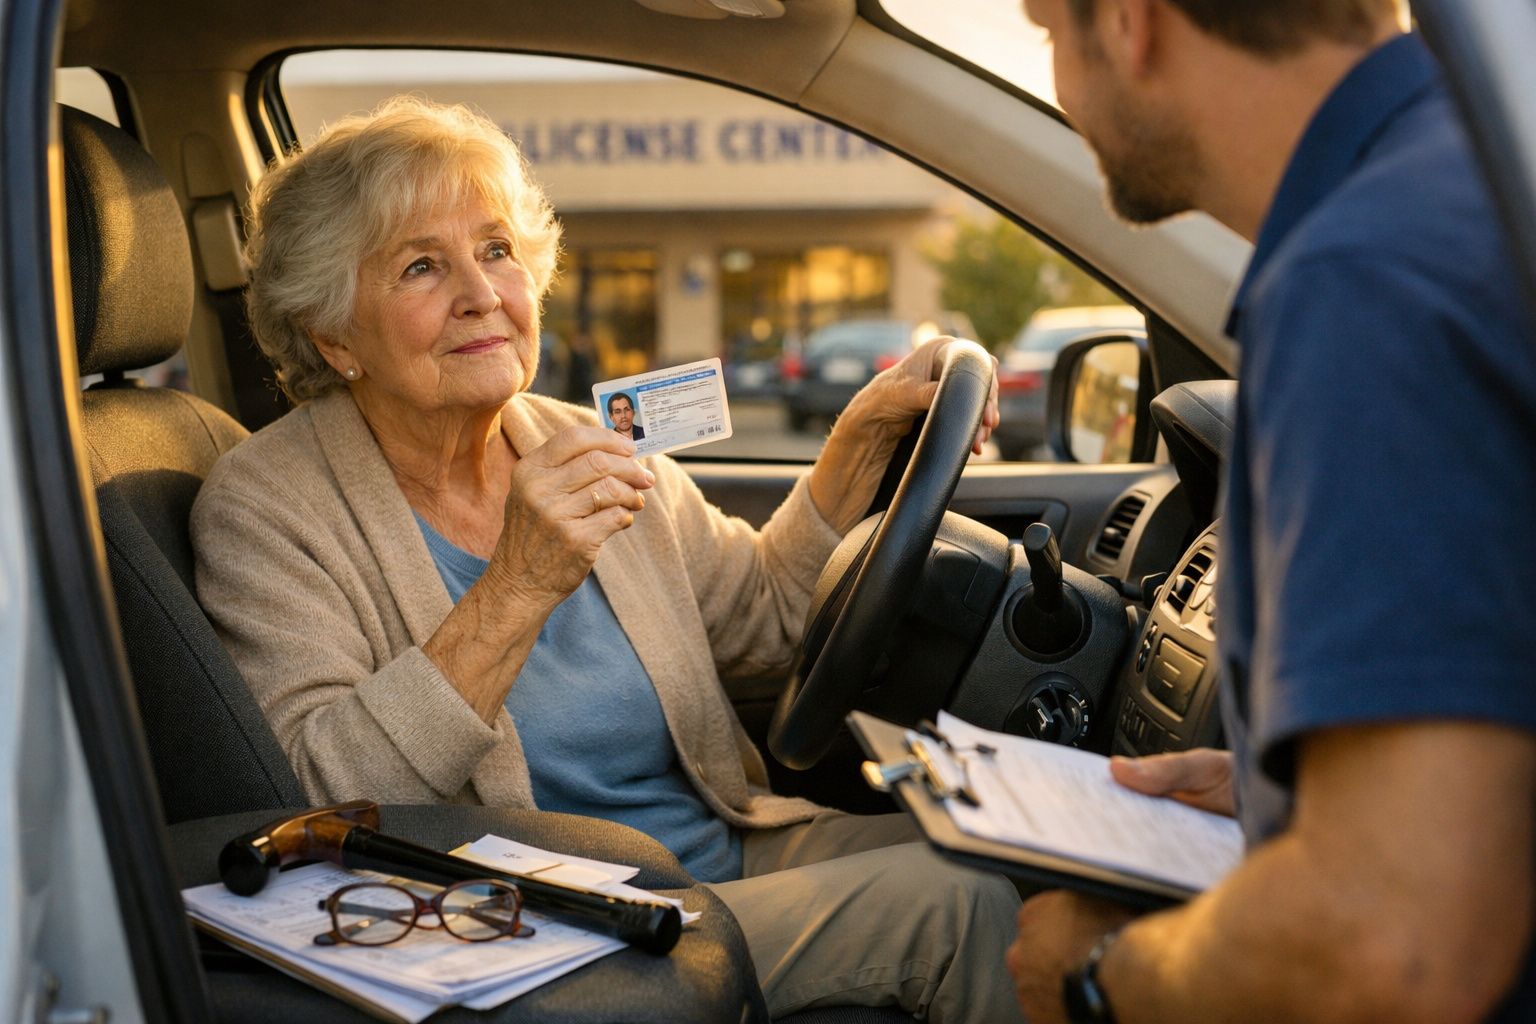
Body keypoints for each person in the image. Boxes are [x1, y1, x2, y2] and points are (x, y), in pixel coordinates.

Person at [191, 96, 1021, 1022]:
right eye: (422, 266)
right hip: (543, 923)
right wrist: (519, 583)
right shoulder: (265, 505)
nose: (482, 294)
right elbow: (320, 798)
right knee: (966, 902)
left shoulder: (582, 439)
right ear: (332, 334)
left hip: (721, 855)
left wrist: (856, 445)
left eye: (496, 250)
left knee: (1020, 859)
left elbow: (763, 618)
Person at [1005, 2, 1536, 1022]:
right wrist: (1272, 791)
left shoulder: (1361, 280)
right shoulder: (1459, 184)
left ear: (1130, 24)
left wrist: (1100, 972)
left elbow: (1397, 946)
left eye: (1046, 32)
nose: (1059, 87)